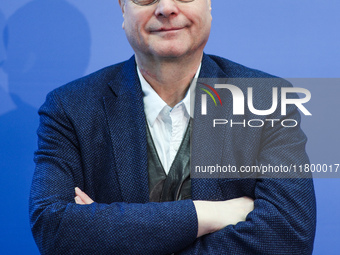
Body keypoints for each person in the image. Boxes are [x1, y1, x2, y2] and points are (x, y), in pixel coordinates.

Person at [29, 0, 316, 254]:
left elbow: (289, 237)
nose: (166, 7)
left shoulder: (268, 99)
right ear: (122, 8)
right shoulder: (69, 107)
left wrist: (111, 235)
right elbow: (53, 230)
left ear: (210, 4)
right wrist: (209, 214)